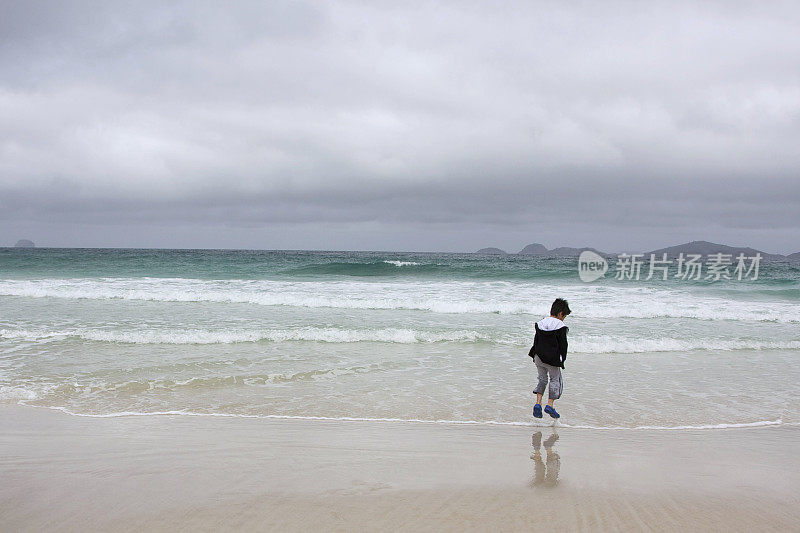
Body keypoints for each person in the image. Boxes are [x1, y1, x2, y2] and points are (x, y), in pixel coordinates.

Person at [528, 298, 570, 419]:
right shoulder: (561, 326)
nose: (563, 319)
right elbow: (563, 345)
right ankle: (550, 405)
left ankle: (538, 403)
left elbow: (536, 341)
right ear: (561, 314)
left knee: (542, 379)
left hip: (538, 357)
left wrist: (534, 355)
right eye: (564, 316)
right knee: (554, 380)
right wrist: (563, 360)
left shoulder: (541, 323)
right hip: (552, 359)